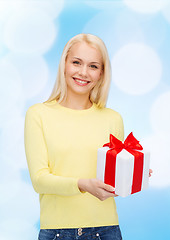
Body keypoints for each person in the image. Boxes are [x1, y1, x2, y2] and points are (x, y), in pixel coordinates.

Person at [24, 33, 124, 240]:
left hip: (106, 230)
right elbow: (39, 180)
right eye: (76, 62)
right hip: (57, 233)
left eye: (93, 66)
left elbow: (113, 182)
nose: (83, 72)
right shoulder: (38, 115)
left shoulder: (112, 119)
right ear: (64, 64)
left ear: (102, 74)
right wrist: (82, 184)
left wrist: (133, 175)